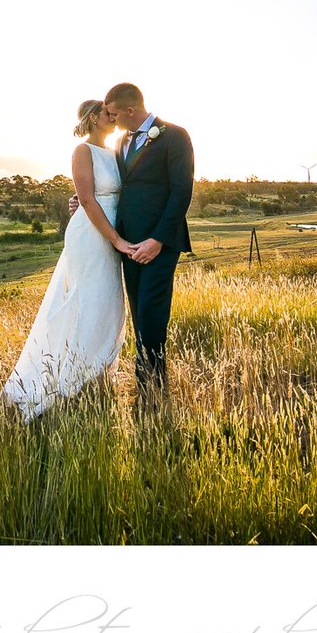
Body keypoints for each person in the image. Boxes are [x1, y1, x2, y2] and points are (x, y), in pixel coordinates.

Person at [0, 100, 139, 421]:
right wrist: (115, 238)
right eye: (108, 113)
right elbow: (88, 199)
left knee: (109, 303)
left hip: (109, 230)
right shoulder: (82, 151)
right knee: (87, 300)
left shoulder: (116, 150)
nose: (114, 117)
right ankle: (67, 380)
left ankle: (95, 377)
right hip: (91, 236)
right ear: (94, 118)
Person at [102, 83, 193, 406]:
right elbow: (118, 188)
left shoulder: (174, 136)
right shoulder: (120, 142)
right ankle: (148, 389)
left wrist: (157, 239)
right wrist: (81, 201)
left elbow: (181, 192)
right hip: (127, 244)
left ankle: (152, 392)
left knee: (153, 316)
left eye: (113, 114)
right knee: (139, 315)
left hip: (159, 242)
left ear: (130, 110)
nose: (110, 120)